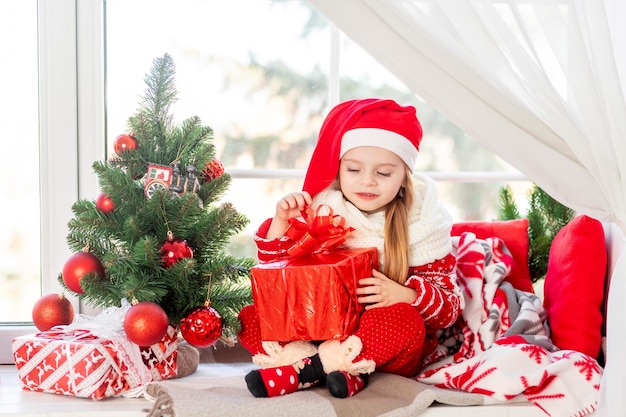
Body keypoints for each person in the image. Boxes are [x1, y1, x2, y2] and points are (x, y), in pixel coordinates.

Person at [238, 98, 462, 399]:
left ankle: (304, 371)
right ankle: (336, 370)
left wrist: (406, 294)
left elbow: (448, 310)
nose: (367, 181)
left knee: (405, 322)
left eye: (384, 173)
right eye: (354, 169)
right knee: (250, 316)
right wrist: (281, 222)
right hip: (319, 333)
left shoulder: (422, 224)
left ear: (405, 178)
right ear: (339, 168)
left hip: (381, 347)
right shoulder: (322, 211)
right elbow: (276, 282)